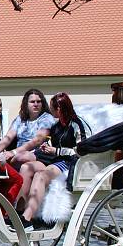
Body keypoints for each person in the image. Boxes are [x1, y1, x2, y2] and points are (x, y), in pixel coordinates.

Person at [20, 92, 88, 224]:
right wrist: (47, 147)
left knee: (41, 175)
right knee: (26, 167)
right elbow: (53, 143)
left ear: (59, 109)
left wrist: (56, 151)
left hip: (68, 162)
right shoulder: (56, 127)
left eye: (52, 108)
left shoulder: (76, 125)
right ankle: (19, 209)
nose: (49, 110)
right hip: (53, 159)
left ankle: (27, 218)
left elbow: (81, 150)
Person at [0, 88, 55, 209]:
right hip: (19, 154)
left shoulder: (46, 118)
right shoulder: (20, 119)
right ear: (26, 104)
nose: (36, 104)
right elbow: (8, 137)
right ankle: (0, 205)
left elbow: (37, 140)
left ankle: (19, 208)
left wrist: (13, 152)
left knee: (19, 158)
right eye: (32, 101)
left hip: (38, 154)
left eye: (38, 101)